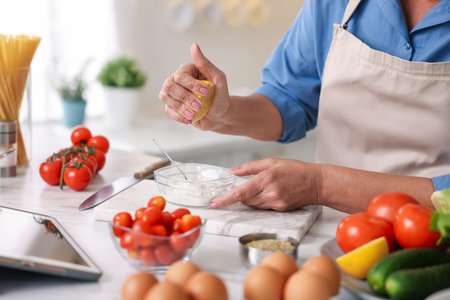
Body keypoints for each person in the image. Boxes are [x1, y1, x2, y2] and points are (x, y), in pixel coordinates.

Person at [159, 0, 450, 213]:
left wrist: (320, 185)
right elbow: (289, 99)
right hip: (332, 233)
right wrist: (223, 111)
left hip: (434, 241)